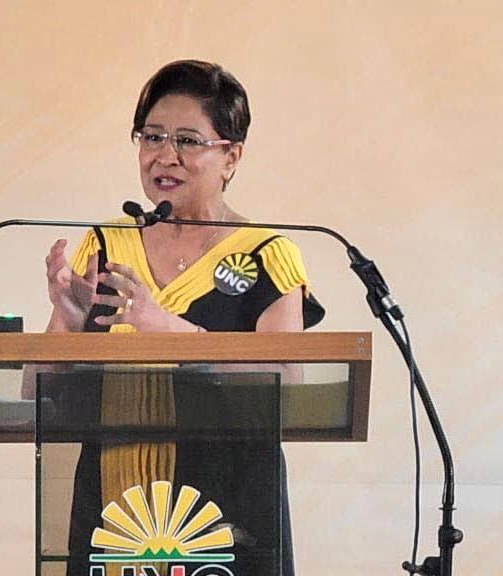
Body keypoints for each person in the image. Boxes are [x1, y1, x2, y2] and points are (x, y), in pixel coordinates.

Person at [41, 60, 324, 576]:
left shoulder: (268, 255)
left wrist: (173, 332)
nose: (164, 156)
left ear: (231, 156)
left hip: (227, 508)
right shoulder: (105, 246)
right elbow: (33, 391)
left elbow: (287, 384)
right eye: (152, 137)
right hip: (115, 508)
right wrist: (69, 322)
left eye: (188, 140)